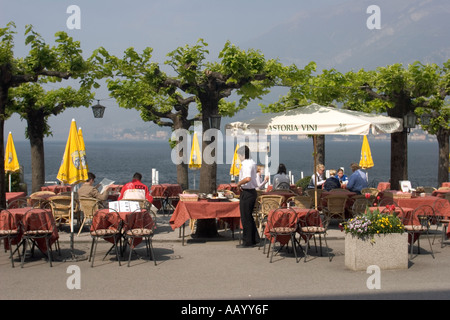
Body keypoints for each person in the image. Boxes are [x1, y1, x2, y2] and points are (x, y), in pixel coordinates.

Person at [236, 145, 260, 248]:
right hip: (252, 192)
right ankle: (255, 238)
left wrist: (238, 184)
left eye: (239, 155)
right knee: (249, 216)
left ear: (242, 155)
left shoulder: (245, 164)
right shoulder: (252, 163)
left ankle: (247, 241)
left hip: (247, 192)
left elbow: (247, 178)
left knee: (245, 217)